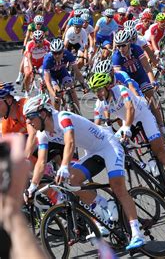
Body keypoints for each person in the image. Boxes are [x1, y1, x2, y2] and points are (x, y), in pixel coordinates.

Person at [23, 94, 146, 250]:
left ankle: (137, 233)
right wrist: (32, 187)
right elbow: (41, 162)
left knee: (118, 187)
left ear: (42, 113)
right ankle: (103, 209)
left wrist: (64, 166)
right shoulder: (43, 134)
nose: (28, 122)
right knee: (71, 182)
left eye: (30, 117)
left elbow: (70, 142)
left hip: (108, 146)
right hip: (93, 152)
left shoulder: (63, 117)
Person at [88, 73, 165, 200]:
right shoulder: (100, 104)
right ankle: (145, 166)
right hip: (128, 122)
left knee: (160, 151)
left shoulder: (121, 90)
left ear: (107, 86)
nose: (98, 94)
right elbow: (96, 126)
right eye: (95, 91)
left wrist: (127, 127)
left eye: (100, 89)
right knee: (116, 146)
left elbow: (130, 109)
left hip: (142, 116)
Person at [42, 39, 88, 111]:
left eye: (59, 53)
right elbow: (48, 83)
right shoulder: (47, 60)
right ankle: (57, 115)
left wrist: (83, 84)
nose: (57, 56)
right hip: (51, 75)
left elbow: (77, 72)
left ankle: (78, 113)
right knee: (58, 94)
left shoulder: (68, 54)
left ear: (63, 51)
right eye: (54, 53)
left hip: (62, 72)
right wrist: (54, 95)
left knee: (71, 88)